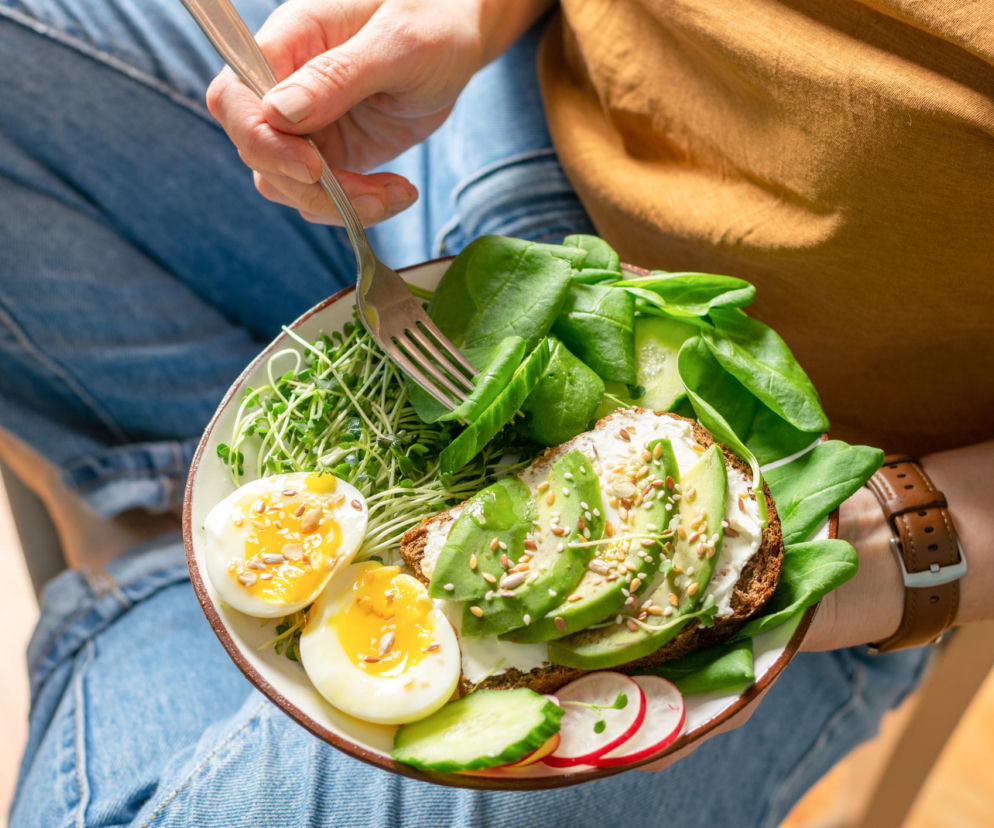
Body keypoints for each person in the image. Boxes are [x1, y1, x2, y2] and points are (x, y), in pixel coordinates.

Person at [1, 0, 991, 825]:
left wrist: (894, 532)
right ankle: (219, 572)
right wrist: (464, 15)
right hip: (501, 125)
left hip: (831, 475)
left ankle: (167, 578)